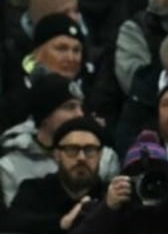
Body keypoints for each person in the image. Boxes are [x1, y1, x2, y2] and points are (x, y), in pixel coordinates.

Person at [0, 72, 119, 207]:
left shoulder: (104, 158)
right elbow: (13, 221)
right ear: (44, 115)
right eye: (69, 107)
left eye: (81, 106)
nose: (80, 114)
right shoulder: (11, 166)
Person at [3, 116, 106, 234]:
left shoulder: (108, 196)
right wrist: (62, 222)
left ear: (100, 155)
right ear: (57, 155)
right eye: (72, 149)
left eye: (90, 150)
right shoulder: (34, 190)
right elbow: (11, 223)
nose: (81, 158)